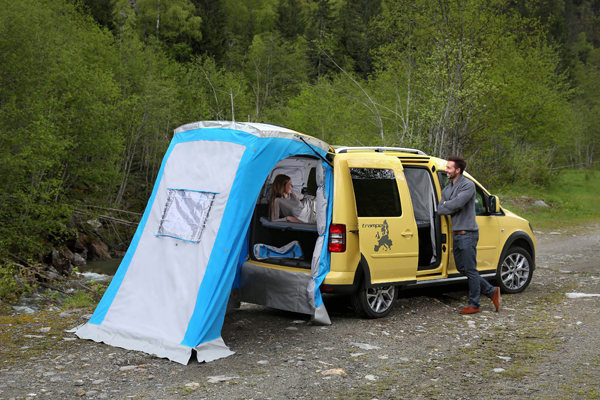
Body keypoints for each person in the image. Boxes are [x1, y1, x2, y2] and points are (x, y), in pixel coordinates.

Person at [438, 156, 501, 314]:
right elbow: (441, 209)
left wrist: (451, 205)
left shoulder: (468, 185)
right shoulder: (447, 189)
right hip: (456, 234)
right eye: (447, 167)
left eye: (449, 168)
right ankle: (491, 291)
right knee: (462, 268)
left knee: (471, 270)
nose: (446, 170)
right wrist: (451, 205)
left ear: (457, 170)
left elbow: (457, 204)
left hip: (468, 234)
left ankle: (474, 304)